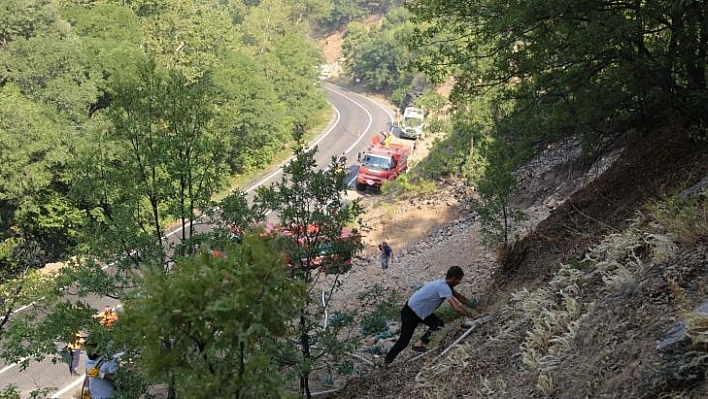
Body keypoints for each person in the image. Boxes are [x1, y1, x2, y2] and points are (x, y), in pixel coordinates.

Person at [384, 266, 481, 365]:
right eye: (458, 280)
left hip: (419, 311)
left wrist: (475, 308)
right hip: (411, 312)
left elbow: (460, 298)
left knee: (438, 324)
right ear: (453, 279)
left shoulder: (444, 285)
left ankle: (419, 344)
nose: (458, 283)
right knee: (404, 341)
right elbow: (456, 307)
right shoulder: (443, 287)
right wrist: (471, 316)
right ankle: (386, 362)